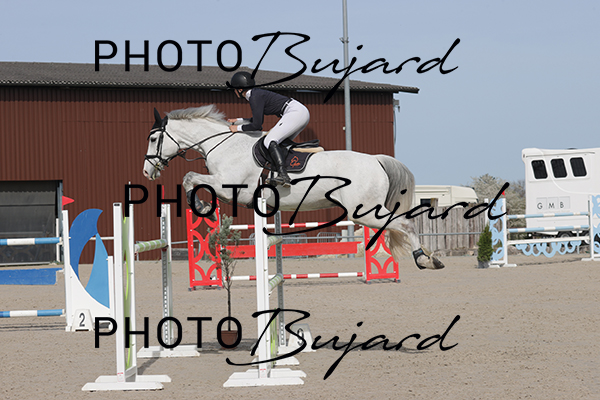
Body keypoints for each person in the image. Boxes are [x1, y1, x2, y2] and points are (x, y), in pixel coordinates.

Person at [227, 71, 310, 187]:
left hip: (294, 112)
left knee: (269, 140)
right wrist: (239, 120)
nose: (234, 91)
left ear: (240, 89)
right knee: (281, 143)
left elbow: (257, 126)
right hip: (299, 112)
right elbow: (256, 119)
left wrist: (238, 128)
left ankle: (283, 175)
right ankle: (286, 171)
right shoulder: (255, 94)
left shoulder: (254, 97)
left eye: (234, 89)